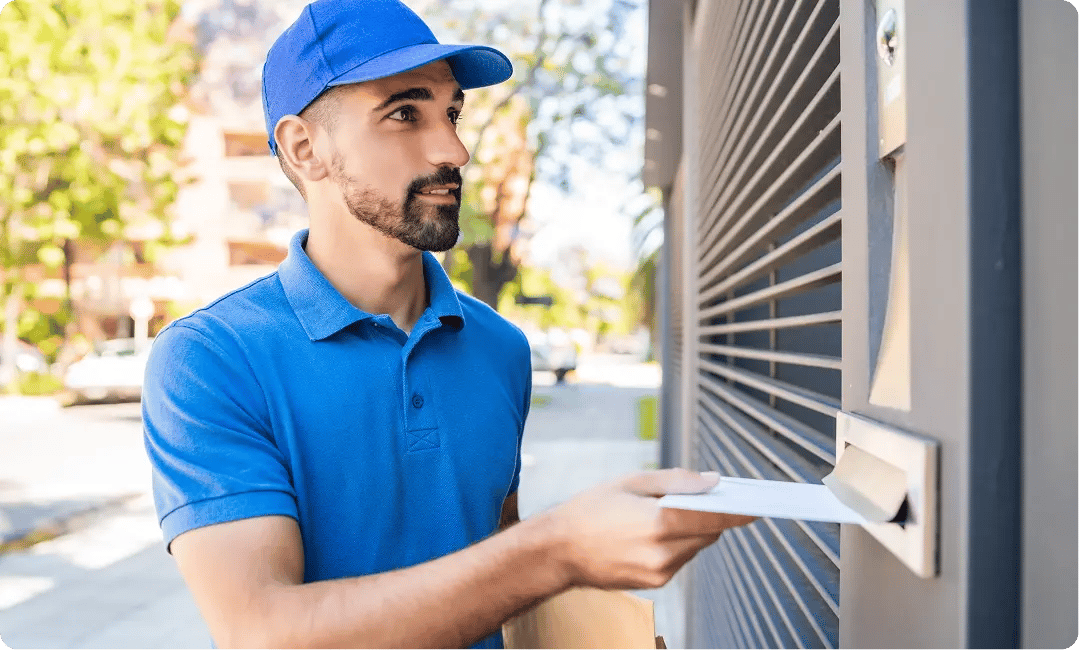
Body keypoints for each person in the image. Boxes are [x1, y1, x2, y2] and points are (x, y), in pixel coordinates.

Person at [141, 0, 756, 647]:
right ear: (305, 148)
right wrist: (558, 549)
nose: (454, 149)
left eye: (452, 113)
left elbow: (496, 566)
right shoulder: (209, 359)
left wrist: (598, 634)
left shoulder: (501, 349)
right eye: (405, 113)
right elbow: (263, 632)